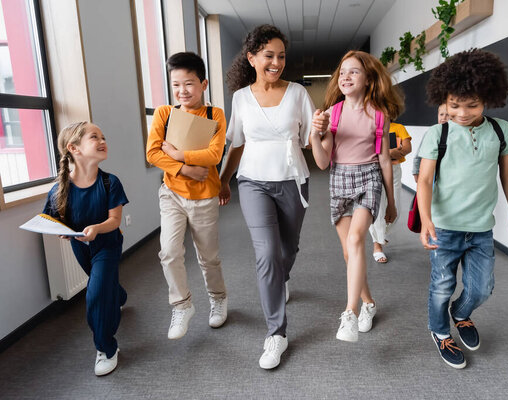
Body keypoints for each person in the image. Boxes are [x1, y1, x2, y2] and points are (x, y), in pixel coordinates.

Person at [417, 49, 508, 369]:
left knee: (482, 288)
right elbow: (424, 180)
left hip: (481, 227)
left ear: (488, 99)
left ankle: (462, 313)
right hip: (445, 226)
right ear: (444, 99)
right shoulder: (438, 134)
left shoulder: (500, 131)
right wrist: (426, 221)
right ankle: (439, 332)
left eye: (472, 105)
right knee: (442, 286)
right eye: (454, 105)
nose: (462, 113)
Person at [219, 25, 318, 369]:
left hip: (293, 180)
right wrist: (224, 180)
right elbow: (236, 142)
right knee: (267, 254)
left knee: (287, 249)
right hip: (252, 182)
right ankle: (276, 334)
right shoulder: (241, 98)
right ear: (251, 58)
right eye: (268, 56)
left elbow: (308, 139)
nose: (276, 62)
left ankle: (282, 279)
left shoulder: (297, 94)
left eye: (281, 56)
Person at [310, 50, 403, 342]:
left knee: (355, 239)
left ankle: (349, 313)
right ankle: (369, 303)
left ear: (368, 79)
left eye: (354, 72)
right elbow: (323, 163)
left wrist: (391, 199)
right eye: (343, 72)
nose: (346, 76)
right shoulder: (331, 114)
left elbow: (385, 160)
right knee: (350, 252)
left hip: (368, 178)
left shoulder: (379, 115)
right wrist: (315, 135)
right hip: (339, 179)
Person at [146, 52, 228, 340]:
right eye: (176, 85)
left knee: (208, 258)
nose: (182, 91)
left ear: (203, 83)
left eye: (189, 84)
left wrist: (178, 153)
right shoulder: (164, 113)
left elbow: (214, 154)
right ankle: (182, 305)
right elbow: (153, 152)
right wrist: (185, 169)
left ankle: (218, 298)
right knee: (168, 252)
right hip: (172, 194)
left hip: (205, 197)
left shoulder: (214, 114)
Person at [43, 122, 129, 376]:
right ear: (74, 148)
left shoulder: (110, 183)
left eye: (103, 136)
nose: (102, 140)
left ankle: (107, 348)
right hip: (81, 248)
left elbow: (114, 221)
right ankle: (119, 296)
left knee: (95, 294)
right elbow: (51, 220)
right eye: (94, 137)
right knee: (102, 284)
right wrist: (60, 230)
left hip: (108, 243)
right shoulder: (59, 189)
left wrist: (95, 229)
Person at [369, 122, 412, 263]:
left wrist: (396, 152)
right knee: (378, 209)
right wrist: (388, 152)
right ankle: (378, 246)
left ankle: (382, 233)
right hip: (374, 169)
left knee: (396, 210)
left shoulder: (398, 127)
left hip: (394, 170)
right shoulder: (370, 126)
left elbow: (407, 147)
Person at [412, 104, 449, 182]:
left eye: (447, 115)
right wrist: (416, 172)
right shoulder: (431, 132)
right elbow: (418, 156)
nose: (444, 118)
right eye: (441, 114)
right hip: (432, 176)